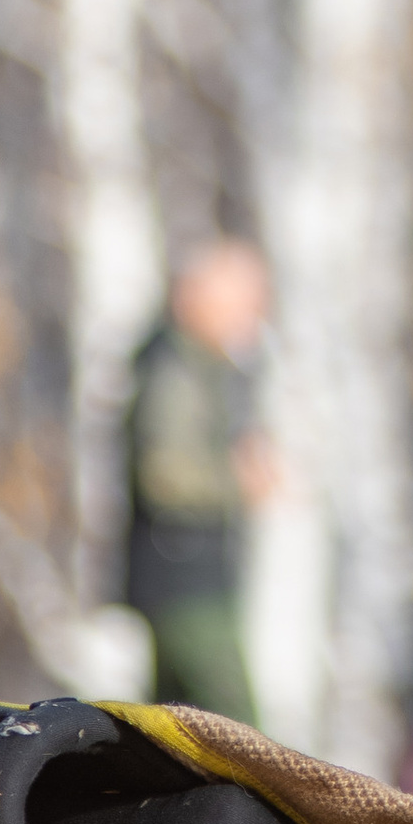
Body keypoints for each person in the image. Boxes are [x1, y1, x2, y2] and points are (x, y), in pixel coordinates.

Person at [122, 239, 278, 716]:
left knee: (176, 729)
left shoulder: (197, 366)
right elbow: (165, 476)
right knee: (237, 727)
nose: (252, 318)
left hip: (184, 573)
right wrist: (241, 479)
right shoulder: (174, 371)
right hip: (183, 576)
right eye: (244, 304)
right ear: (199, 299)